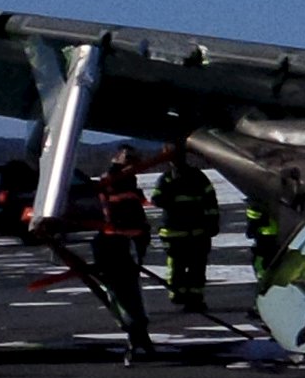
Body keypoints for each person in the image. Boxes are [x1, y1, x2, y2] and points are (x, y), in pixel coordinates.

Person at [90, 145, 156, 361]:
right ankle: (134, 331)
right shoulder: (110, 181)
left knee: (128, 292)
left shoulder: (128, 183)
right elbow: (110, 213)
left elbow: (136, 213)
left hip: (128, 244)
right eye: (128, 159)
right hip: (114, 244)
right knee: (121, 292)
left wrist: (141, 236)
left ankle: (137, 332)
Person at [153, 157, 221, 311]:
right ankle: (179, 295)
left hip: (196, 231)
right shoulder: (167, 178)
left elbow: (211, 201)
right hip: (175, 232)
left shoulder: (198, 177)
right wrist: (172, 189)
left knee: (197, 267)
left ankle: (195, 299)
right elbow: (157, 199)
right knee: (177, 265)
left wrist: (212, 222)